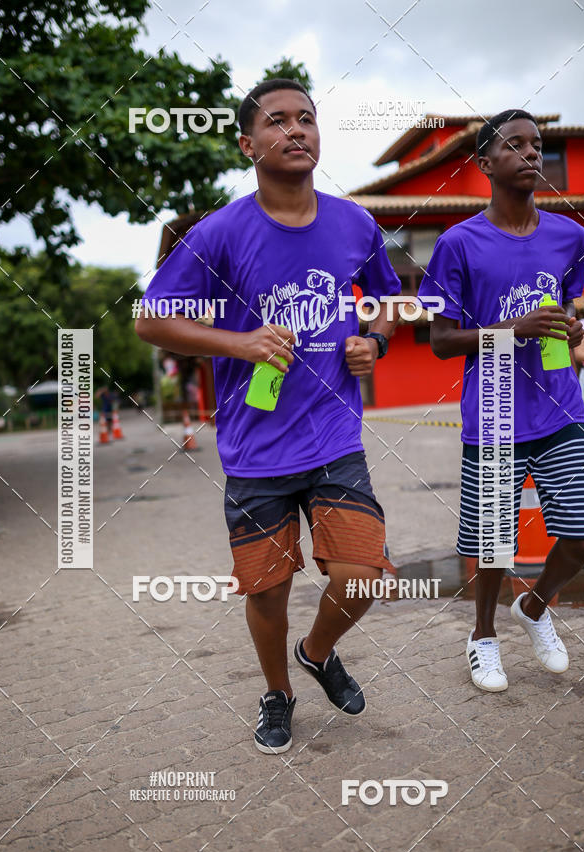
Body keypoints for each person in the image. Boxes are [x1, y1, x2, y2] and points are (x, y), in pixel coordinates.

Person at [135, 78, 402, 751]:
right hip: (255, 448)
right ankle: (277, 692)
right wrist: (238, 342)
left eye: (306, 119)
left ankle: (318, 652)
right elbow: (151, 321)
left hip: (334, 433)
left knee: (362, 575)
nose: (295, 130)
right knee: (267, 588)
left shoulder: (355, 224)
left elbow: (386, 303)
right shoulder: (220, 233)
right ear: (248, 144)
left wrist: (374, 340)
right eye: (277, 121)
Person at [419, 109, 584, 692]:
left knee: (582, 533)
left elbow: (569, 316)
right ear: (485, 163)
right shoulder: (458, 243)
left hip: (562, 407)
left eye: (537, 145)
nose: (532, 154)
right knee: (493, 545)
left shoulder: (572, 236)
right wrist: (510, 330)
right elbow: (441, 340)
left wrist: (572, 333)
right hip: (493, 413)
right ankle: (483, 637)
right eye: (515, 146)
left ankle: (536, 608)